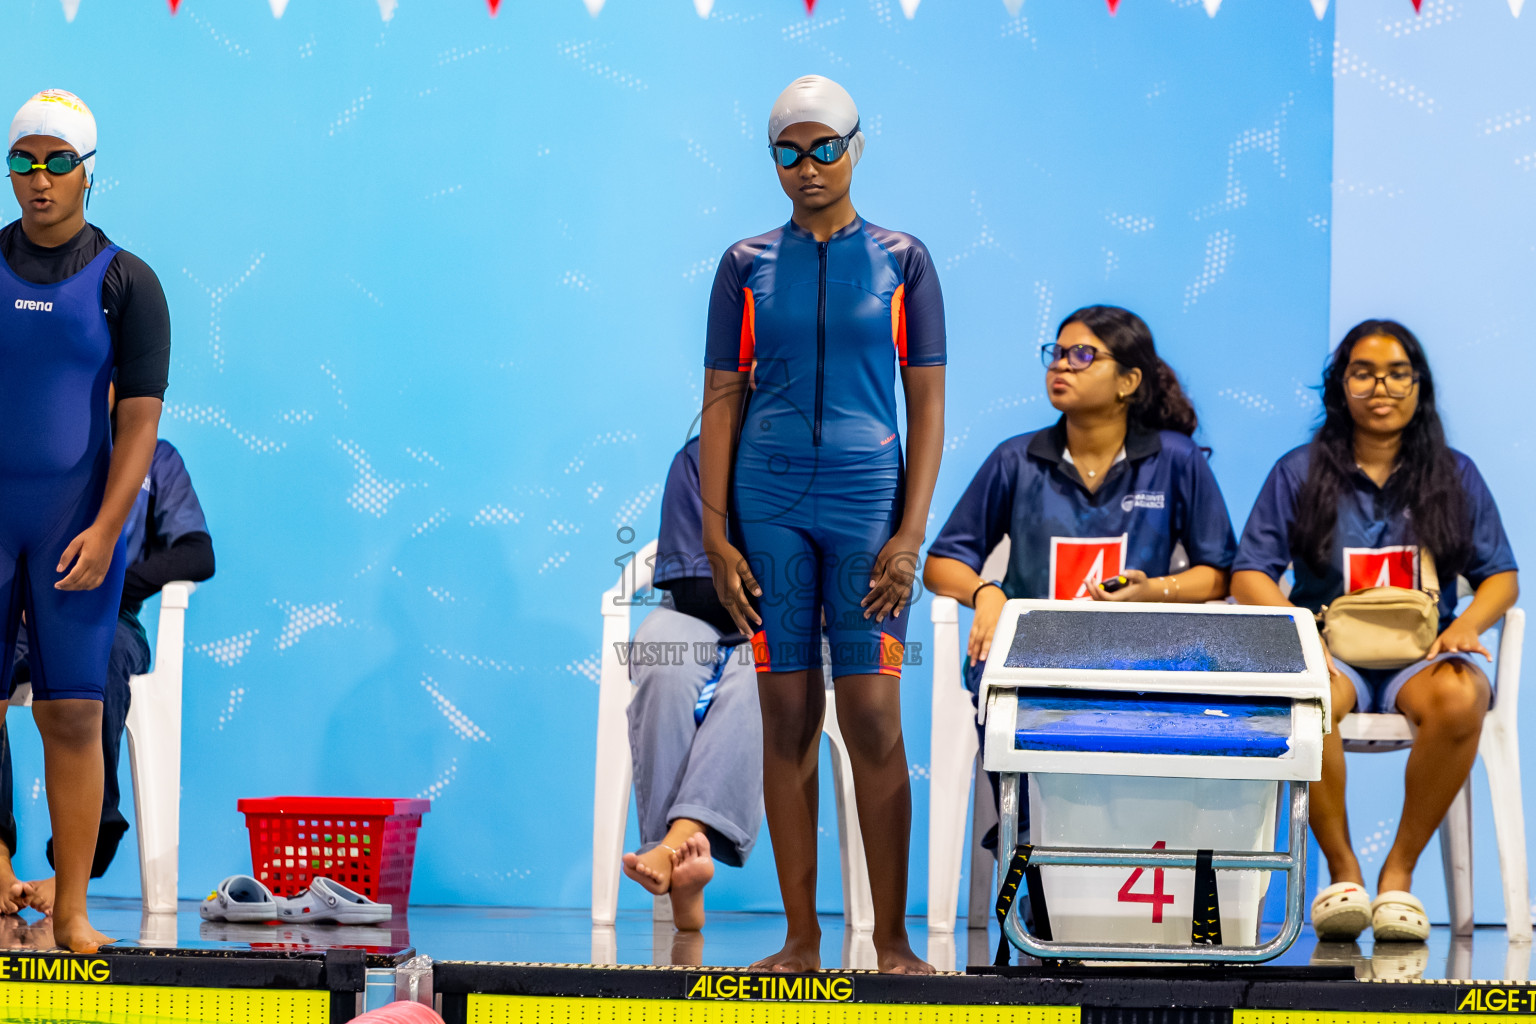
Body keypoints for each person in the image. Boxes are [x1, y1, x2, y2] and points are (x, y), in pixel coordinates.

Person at [699, 75, 946, 973]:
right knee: (787, 717)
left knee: (875, 716)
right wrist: (716, 535)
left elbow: (928, 407)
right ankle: (800, 941)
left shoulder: (904, 261)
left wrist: (908, 534)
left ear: (857, 146)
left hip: (864, 505)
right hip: (768, 511)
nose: (807, 168)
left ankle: (890, 941)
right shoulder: (744, 264)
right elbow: (720, 403)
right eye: (788, 153)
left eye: (824, 148)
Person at [1232, 320, 1517, 943]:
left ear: (1420, 386)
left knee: (1464, 695)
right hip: (1333, 654)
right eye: (1362, 372)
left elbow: (1500, 577)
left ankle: (1398, 876)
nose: (1380, 386)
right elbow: (1250, 573)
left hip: (1423, 655)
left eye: (1396, 373)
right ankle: (1344, 875)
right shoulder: (1299, 471)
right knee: (1305, 700)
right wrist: (1295, 627)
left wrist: (1466, 626)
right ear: (1340, 387)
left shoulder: (1455, 474)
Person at [922, 305, 1237, 848]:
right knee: (1001, 688)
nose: (1061, 366)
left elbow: (1220, 575)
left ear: (1128, 381)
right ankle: (1027, 838)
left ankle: (1102, 845)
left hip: (1139, 657)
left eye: (1083, 355)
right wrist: (987, 592)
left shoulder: (1177, 460)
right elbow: (939, 563)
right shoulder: (1015, 459)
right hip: (1030, 658)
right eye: (1057, 353)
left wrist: (1156, 592)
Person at [0, 89, 170, 952]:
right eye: (22, 160)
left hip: (73, 523)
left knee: (69, 713)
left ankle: (70, 910)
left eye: (56, 161)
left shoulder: (126, 283)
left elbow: (138, 420)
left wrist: (107, 530)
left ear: (88, 174)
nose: (38, 179)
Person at [0, 433, 214, 915]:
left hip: (107, 616)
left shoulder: (156, 459)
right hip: (19, 613)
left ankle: (72, 874)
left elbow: (198, 551)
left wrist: (109, 587)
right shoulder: (35, 448)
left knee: (104, 663)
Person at [620, 436, 763, 934]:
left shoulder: (837, 454)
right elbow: (691, 582)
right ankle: (684, 861)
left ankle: (672, 846)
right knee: (664, 664)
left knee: (760, 678)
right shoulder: (697, 458)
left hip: (790, 628)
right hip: (697, 608)